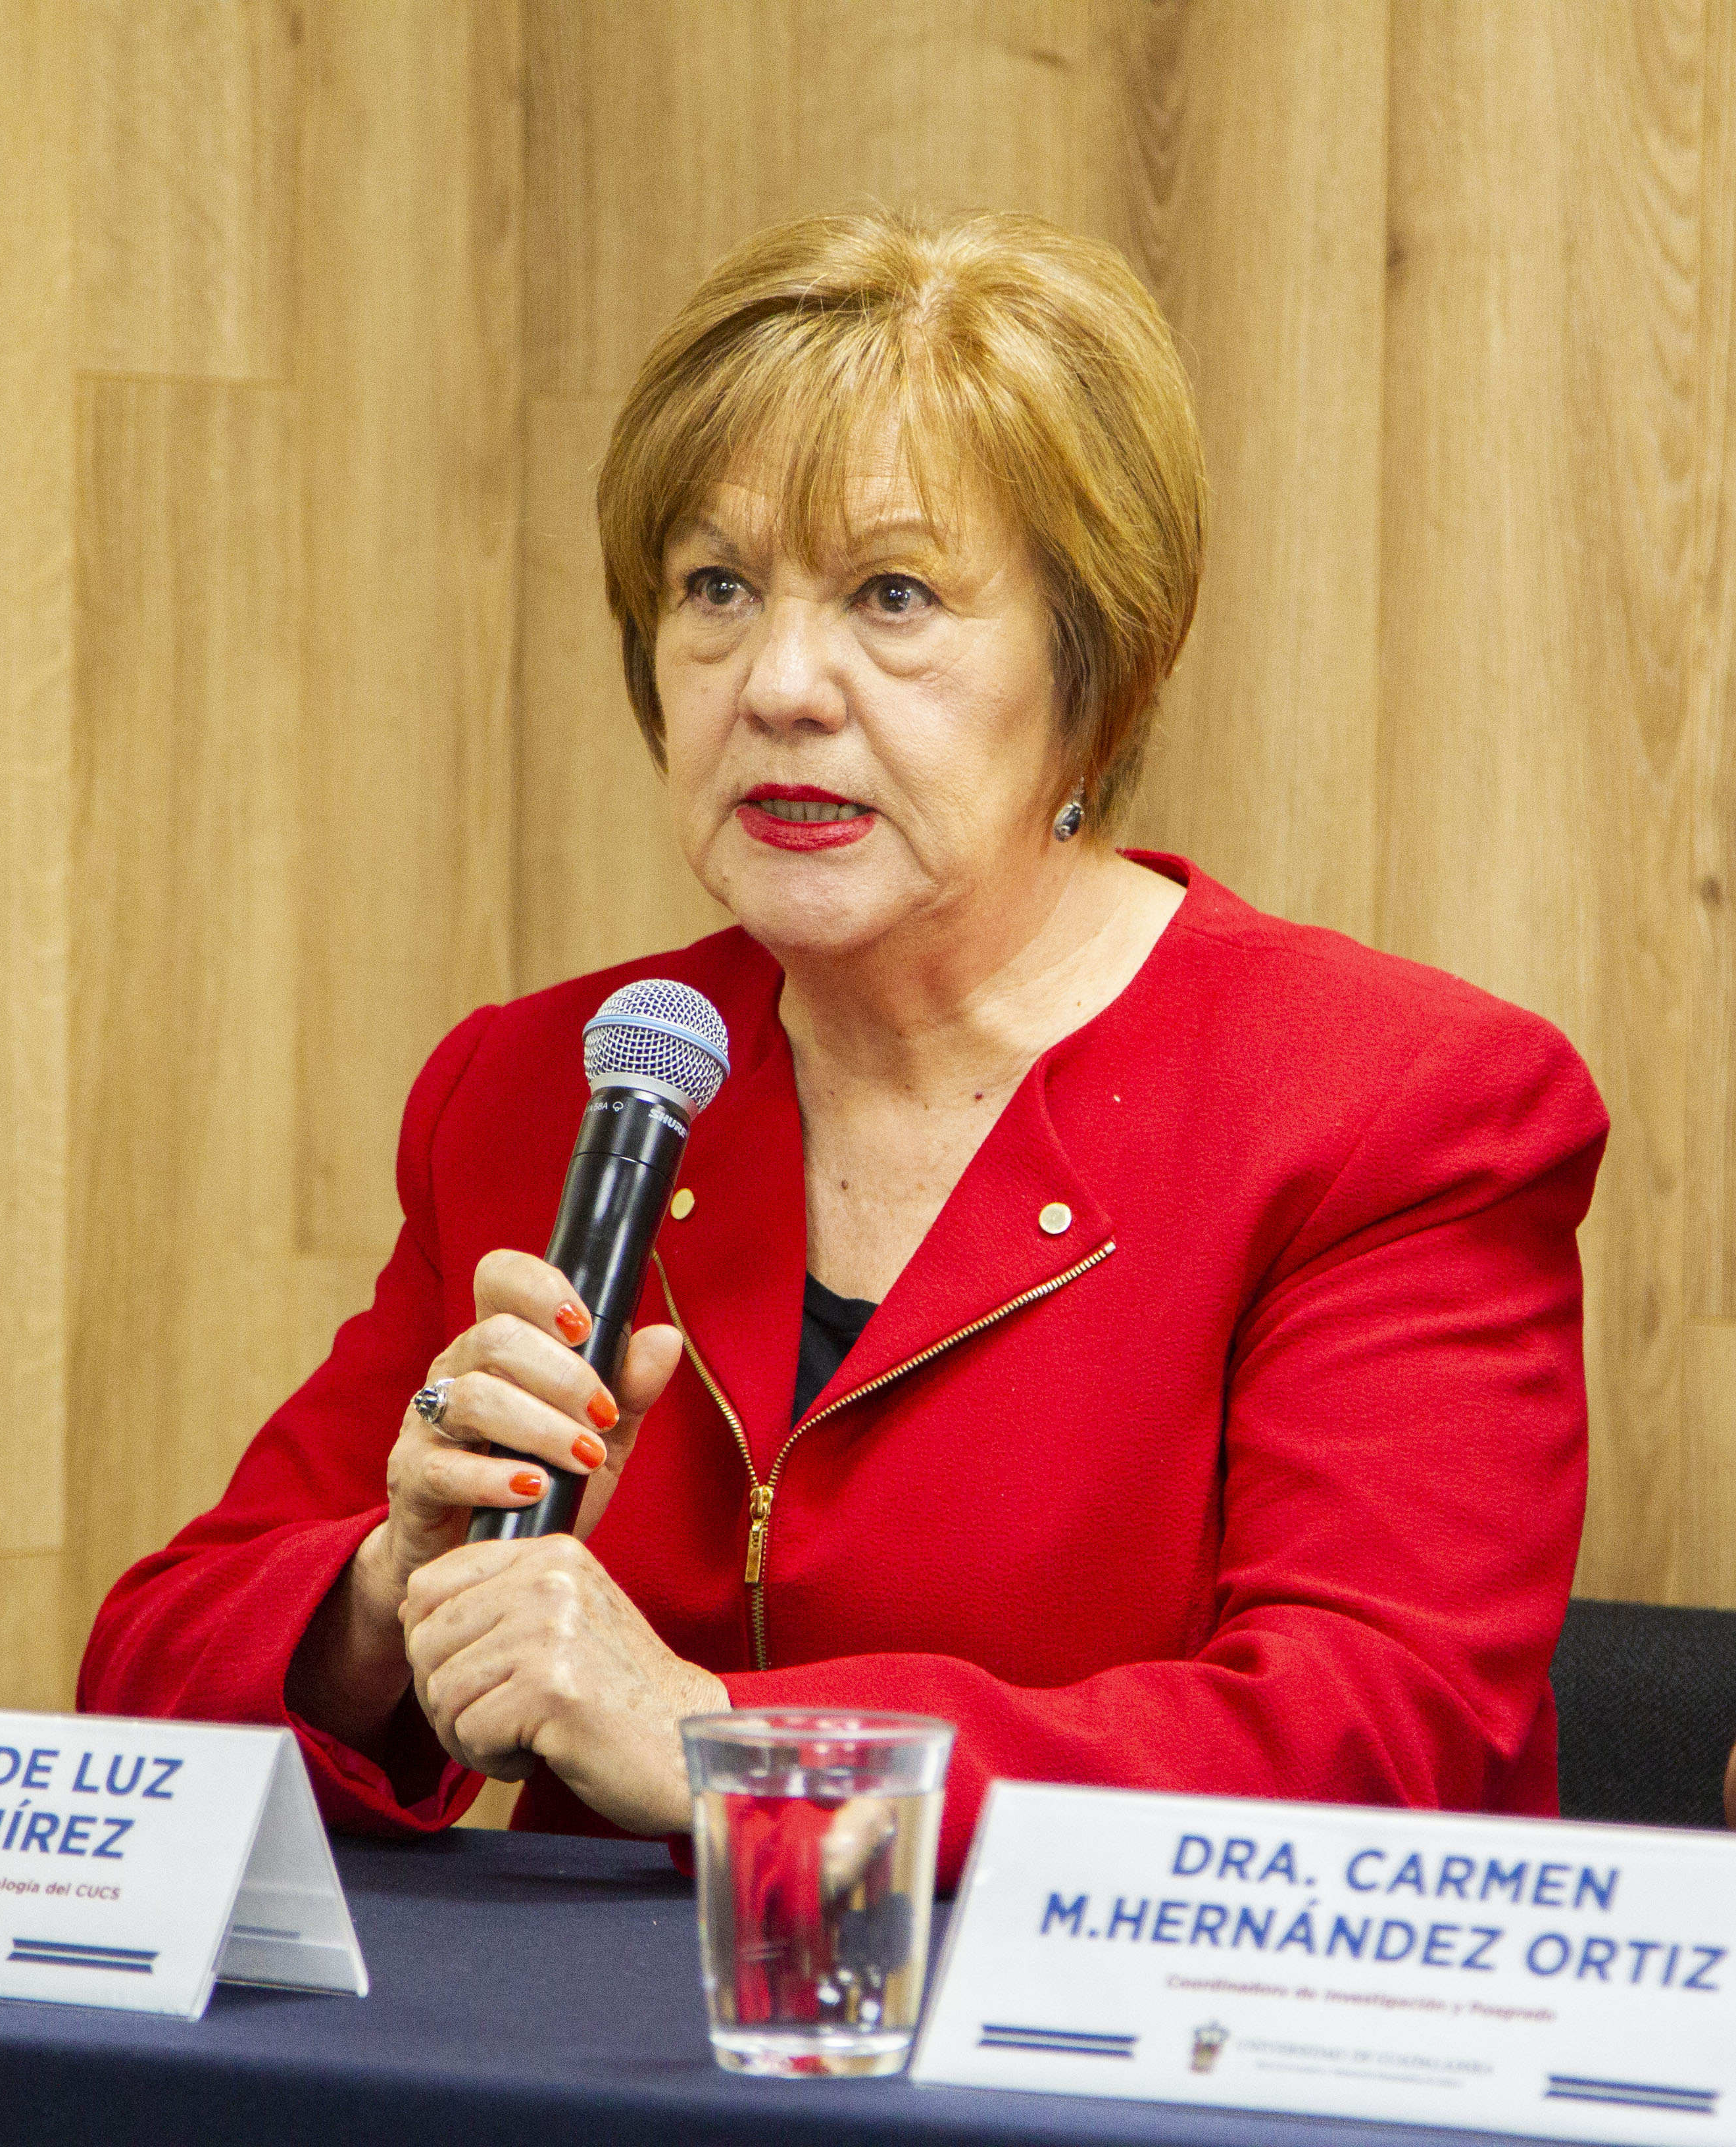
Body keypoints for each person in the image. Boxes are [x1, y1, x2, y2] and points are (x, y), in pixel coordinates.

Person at [78, 207, 1607, 1883]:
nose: (779, 682)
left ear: (1095, 668)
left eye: (892, 594)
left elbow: (1375, 1748)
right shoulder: (555, 1083)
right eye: (714, 588)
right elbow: (151, 1668)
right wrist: (391, 1589)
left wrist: (736, 1755)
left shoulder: (1388, 1109)